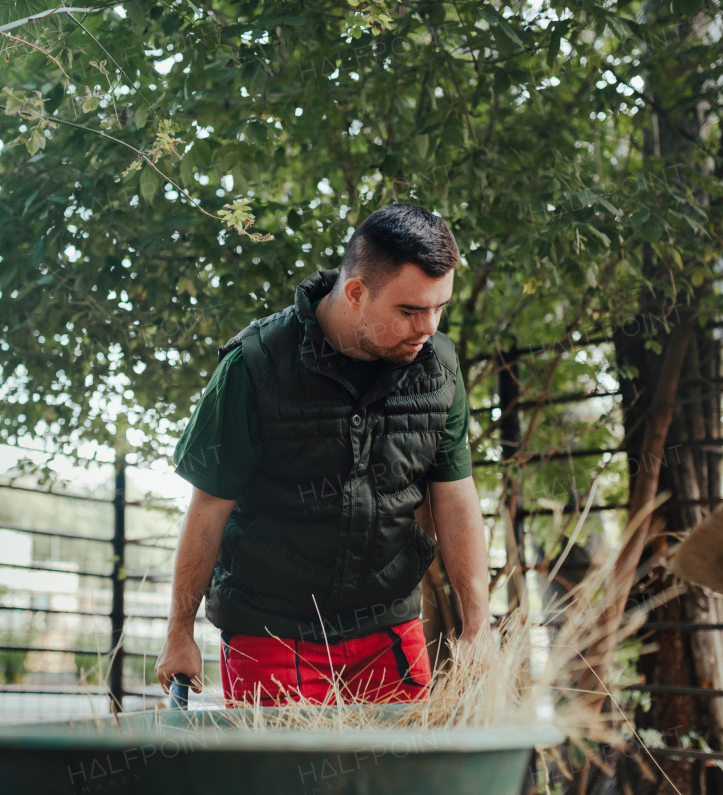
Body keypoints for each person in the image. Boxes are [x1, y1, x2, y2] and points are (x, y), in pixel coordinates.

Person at [154, 202, 491, 707]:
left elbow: (456, 497)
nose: (428, 327)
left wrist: (478, 624)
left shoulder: (438, 367)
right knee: (282, 787)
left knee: (393, 782)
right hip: (270, 631)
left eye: (439, 307)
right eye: (410, 311)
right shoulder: (254, 364)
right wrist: (179, 630)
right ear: (356, 293)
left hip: (388, 630)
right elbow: (209, 506)